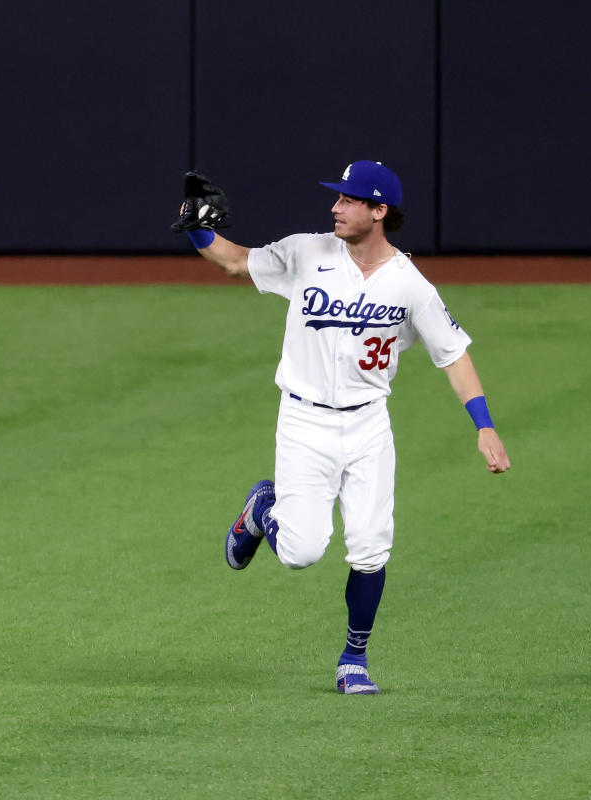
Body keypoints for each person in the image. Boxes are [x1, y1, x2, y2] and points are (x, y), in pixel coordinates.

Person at [179, 160, 510, 694]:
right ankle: (263, 509)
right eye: (338, 198)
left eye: (350, 200)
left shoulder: (410, 285)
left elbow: (454, 355)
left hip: (368, 427)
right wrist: (198, 227)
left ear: (379, 211)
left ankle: (353, 659)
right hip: (304, 421)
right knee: (301, 552)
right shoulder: (307, 252)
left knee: (371, 547)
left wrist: (484, 426)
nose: (336, 206)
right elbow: (237, 262)